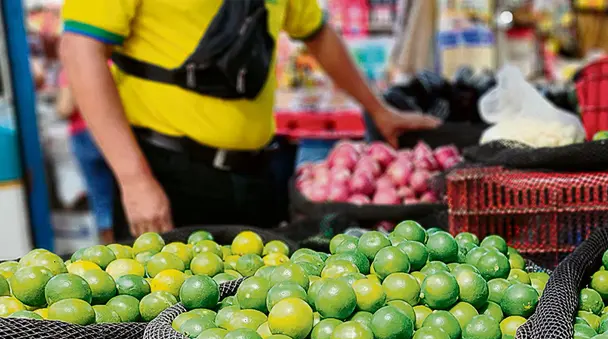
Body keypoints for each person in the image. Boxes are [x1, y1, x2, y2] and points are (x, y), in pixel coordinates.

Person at [58, 0, 439, 237]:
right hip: (166, 174)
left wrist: (379, 110)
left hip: (256, 177)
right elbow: (80, 50)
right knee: (166, 323)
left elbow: (318, 33)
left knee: (254, 322)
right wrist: (134, 180)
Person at [56, 67, 117, 244]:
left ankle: (111, 251)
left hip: (84, 135)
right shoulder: (115, 63)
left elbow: (65, 108)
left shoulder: (75, 65)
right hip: (115, 133)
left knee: (100, 197)